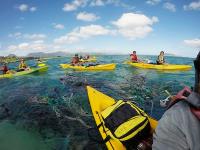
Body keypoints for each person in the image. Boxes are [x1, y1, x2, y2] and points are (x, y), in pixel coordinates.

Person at [153, 52, 200, 150]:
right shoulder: (175, 120)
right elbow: (159, 61)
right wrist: (163, 64)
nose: (162, 54)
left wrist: (165, 63)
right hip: (159, 65)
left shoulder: (174, 117)